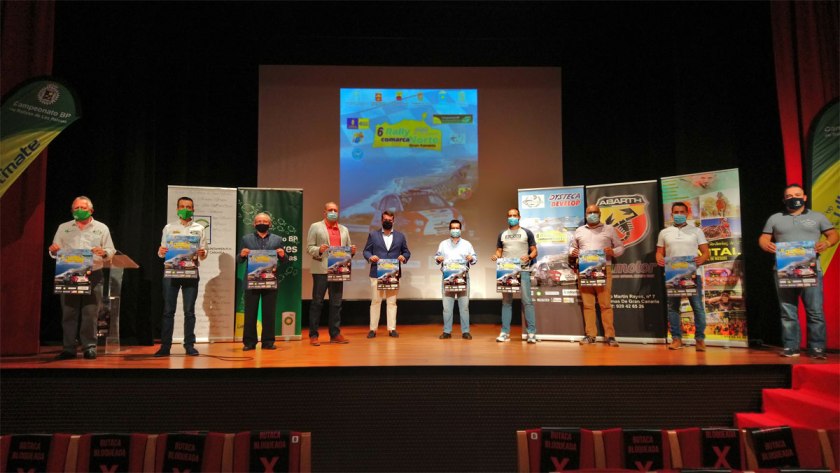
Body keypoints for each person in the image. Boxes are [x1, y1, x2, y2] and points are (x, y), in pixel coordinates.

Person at [759, 184, 838, 359]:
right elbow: (764, 238)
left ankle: (817, 348)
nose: (793, 198)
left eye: (797, 194)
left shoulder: (817, 217)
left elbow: (833, 234)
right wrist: (766, 245)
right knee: (788, 311)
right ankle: (791, 347)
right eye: (789, 196)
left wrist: (827, 243)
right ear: (784, 199)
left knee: (815, 311)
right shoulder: (775, 218)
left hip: (811, 268)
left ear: (804, 197)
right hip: (784, 268)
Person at [48, 196, 116, 360]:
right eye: (76, 208)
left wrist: (104, 252)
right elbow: (55, 250)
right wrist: (53, 250)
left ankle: (89, 347)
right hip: (69, 273)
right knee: (69, 313)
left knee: (90, 313)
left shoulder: (101, 228)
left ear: (91, 210)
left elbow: (110, 250)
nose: (79, 211)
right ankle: (69, 348)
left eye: (83, 208)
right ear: (72, 210)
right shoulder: (64, 228)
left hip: (94, 274)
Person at [155, 196, 208, 357]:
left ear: (193, 209)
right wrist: (161, 251)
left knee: (189, 311)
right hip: (171, 273)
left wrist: (202, 253)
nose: (185, 209)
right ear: (178, 209)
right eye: (182, 206)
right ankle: (165, 347)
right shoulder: (169, 227)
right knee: (168, 311)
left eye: (188, 207)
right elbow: (162, 252)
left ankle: (189, 345)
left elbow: (204, 252)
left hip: (191, 273)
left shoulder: (199, 228)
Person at [656, 202, 710, 351]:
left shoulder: (696, 231)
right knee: (673, 307)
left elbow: (706, 252)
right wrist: (659, 258)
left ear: (687, 214)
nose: (679, 214)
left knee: (697, 308)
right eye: (676, 212)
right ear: (671, 214)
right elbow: (659, 252)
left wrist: (702, 258)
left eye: (682, 212)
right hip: (672, 274)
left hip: (692, 274)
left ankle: (700, 339)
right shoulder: (664, 232)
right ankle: (676, 339)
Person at [570, 204, 625, 347]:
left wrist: (613, 252)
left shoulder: (609, 229)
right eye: (589, 212)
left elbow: (620, 247)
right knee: (588, 305)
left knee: (605, 305)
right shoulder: (579, 231)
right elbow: (572, 247)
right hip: (585, 270)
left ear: (600, 214)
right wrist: (572, 252)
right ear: (586, 214)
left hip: (603, 270)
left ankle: (610, 336)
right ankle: (590, 335)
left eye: (595, 212)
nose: (592, 214)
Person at [306, 201, 355, 346]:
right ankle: (313, 335)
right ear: (325, 212)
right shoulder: (316, 226)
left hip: (338, 269)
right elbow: (309, 248)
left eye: (335, 210)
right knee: (317, 302)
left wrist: (352, 252)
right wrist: (319, 250)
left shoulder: (344, 229)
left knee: (336, 303)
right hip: (321, 269)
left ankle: (335, 334)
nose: (333, 212)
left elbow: (347, 249)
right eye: (330, 210)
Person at [239, 212, 286, 351]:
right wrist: (241, 255)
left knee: (269, 313)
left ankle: (268, 342)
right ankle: (249, 342)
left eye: (265, 221)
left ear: (270, 224)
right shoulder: (246, 239)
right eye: (259, 221)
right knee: (250, 313)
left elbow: (285, 260)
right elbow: (239, 259)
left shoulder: (277, 239)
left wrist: (283, 255)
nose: (262, 223)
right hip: (251, 282)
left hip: (270, 281)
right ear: (254, 224)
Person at [491, 208, 538, 343]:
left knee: (527, 301)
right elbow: (499, 251)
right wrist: (496, 256)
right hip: (506, 271)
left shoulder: (527, 233)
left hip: (523, 270)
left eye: (514, 215)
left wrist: (529, 256)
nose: (512, 217)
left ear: (519, 217)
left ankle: (531, 333)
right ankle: (505, 332)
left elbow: (534, 250)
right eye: (510, 215)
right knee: (506, 302)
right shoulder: (502, 234)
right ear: (507, 217)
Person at [363, 210, 411, 338]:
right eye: (385, 220)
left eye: (390, 220)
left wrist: (404, 257)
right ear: (381, 220)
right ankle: (373, 329)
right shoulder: (373, 235)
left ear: (393, 221)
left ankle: (392, 329)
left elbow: (407, 252)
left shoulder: (400, 236)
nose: (387, 222)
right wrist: (370, 257)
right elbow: (366, 251)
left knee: (392, 302)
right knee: (375, 301)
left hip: (393, 273)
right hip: (376, 273)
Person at [434, 219, 476, 340]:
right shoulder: (443, 244)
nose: (455, 230)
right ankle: (447, 331)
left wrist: (471, 258)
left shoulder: (467, 244)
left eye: (457, 228)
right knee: (447, 307)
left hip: (463, 277)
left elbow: (474, 259)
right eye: (453, 228)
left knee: (464, 306)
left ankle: (465, 331)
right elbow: (436, 257)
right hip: (448, 278)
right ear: (449, 230)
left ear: (460, 230)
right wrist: (438, 258)